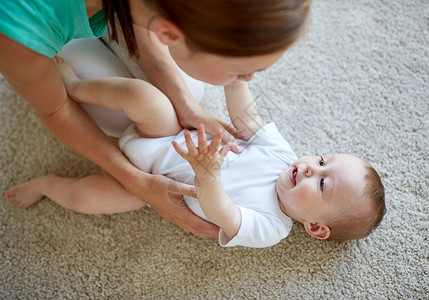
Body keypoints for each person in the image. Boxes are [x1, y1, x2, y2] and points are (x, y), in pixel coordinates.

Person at [0, 0, 311, 237]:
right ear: (168, 32)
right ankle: (49, 184)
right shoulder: (18, 35)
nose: (249, 77)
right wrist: (140, 184)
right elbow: (55, 109)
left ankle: (51, 184)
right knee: (143, 103)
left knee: (186, 93)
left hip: (163, 139)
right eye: (240, 71)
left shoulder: (272, 223)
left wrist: (186, 105)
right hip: (35, 33)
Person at [5, 57, 386, 247]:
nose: (308, 170)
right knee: (145, 97)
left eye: (321, 186)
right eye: (321, 161)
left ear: (316, 227)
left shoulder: (273, 227)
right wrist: (238, 81)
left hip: (152, 187)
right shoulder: (281, 156)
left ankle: (48, 184)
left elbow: (224, 213)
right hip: (164, 137)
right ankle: (75, 86)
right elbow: (247, 119)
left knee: (92, 197)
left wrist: (208, 174)